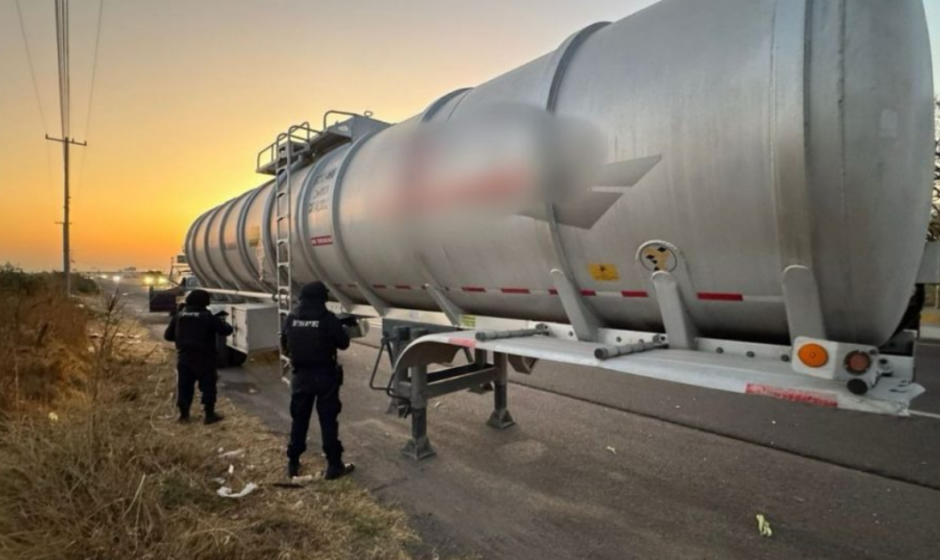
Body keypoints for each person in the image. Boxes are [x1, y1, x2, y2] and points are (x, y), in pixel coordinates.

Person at [281, 281, 355, 480]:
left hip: (301, 376)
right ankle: (334, 465)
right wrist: (344, 327)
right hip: (325, 377)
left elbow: (285, 344)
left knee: (299, 420)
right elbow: (343, 343)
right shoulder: (327, 319)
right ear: (322, 298)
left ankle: (293, 463)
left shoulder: (291, 318)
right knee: (328, 421)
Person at [164, 289, 233, 424]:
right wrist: (221, 320)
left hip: (184, 357)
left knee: (184, 386)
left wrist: (183, 338)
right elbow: (226, 331)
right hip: (205, 358)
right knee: (208, 386)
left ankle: (184, 416)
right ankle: (209, 415)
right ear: (205, 302)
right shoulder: (207, 316)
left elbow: (168, 336)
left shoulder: (179, 316)